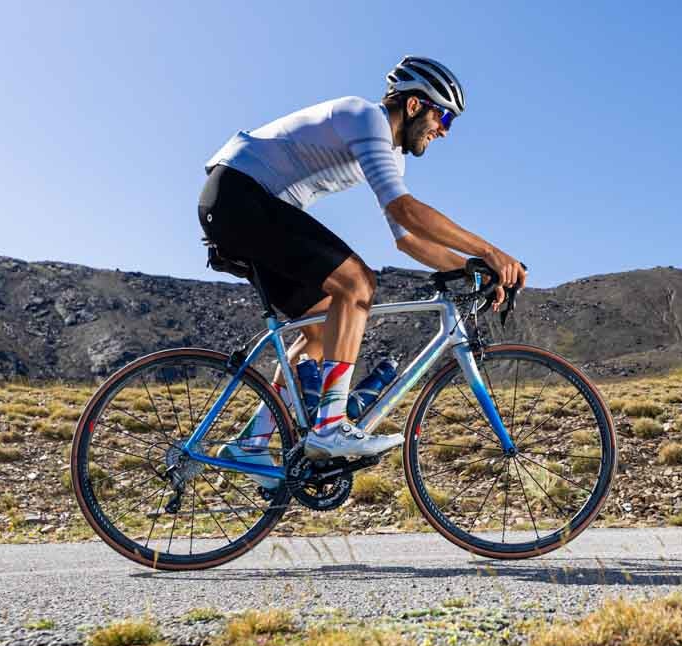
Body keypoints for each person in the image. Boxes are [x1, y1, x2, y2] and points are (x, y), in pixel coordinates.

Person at [198, 56, 525, 478]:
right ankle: (331, 428)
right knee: (357, 283)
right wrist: (493, 252)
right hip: (240, 195)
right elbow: (405, 211)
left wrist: (474, 269)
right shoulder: (365, 117)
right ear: (413, 105)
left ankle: (251, 442)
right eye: (443, 115)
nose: (444, 129)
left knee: (320, 329)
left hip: (249, 207)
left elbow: (407, 240)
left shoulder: (392, 155)